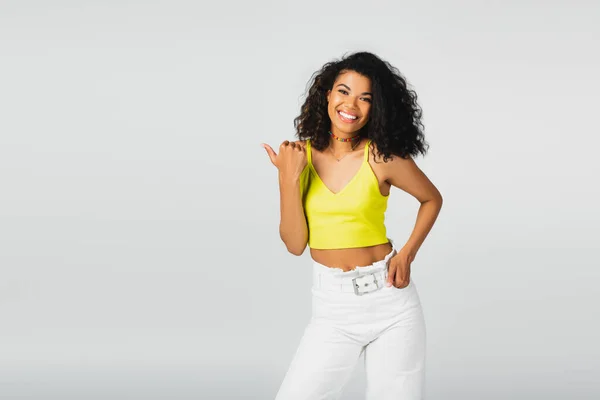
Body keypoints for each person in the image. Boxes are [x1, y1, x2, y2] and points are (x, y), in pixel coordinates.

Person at [261, 51, 443, 400]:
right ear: (327, 94)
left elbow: (431, 199)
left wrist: (406, 254)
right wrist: (287, 178)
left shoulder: (382, 157)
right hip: (333, 309)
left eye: (365, 98)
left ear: (377, 108)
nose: (352, 105)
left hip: (391, 304)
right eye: (343, 91)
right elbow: (295, 244)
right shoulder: (300, 157)